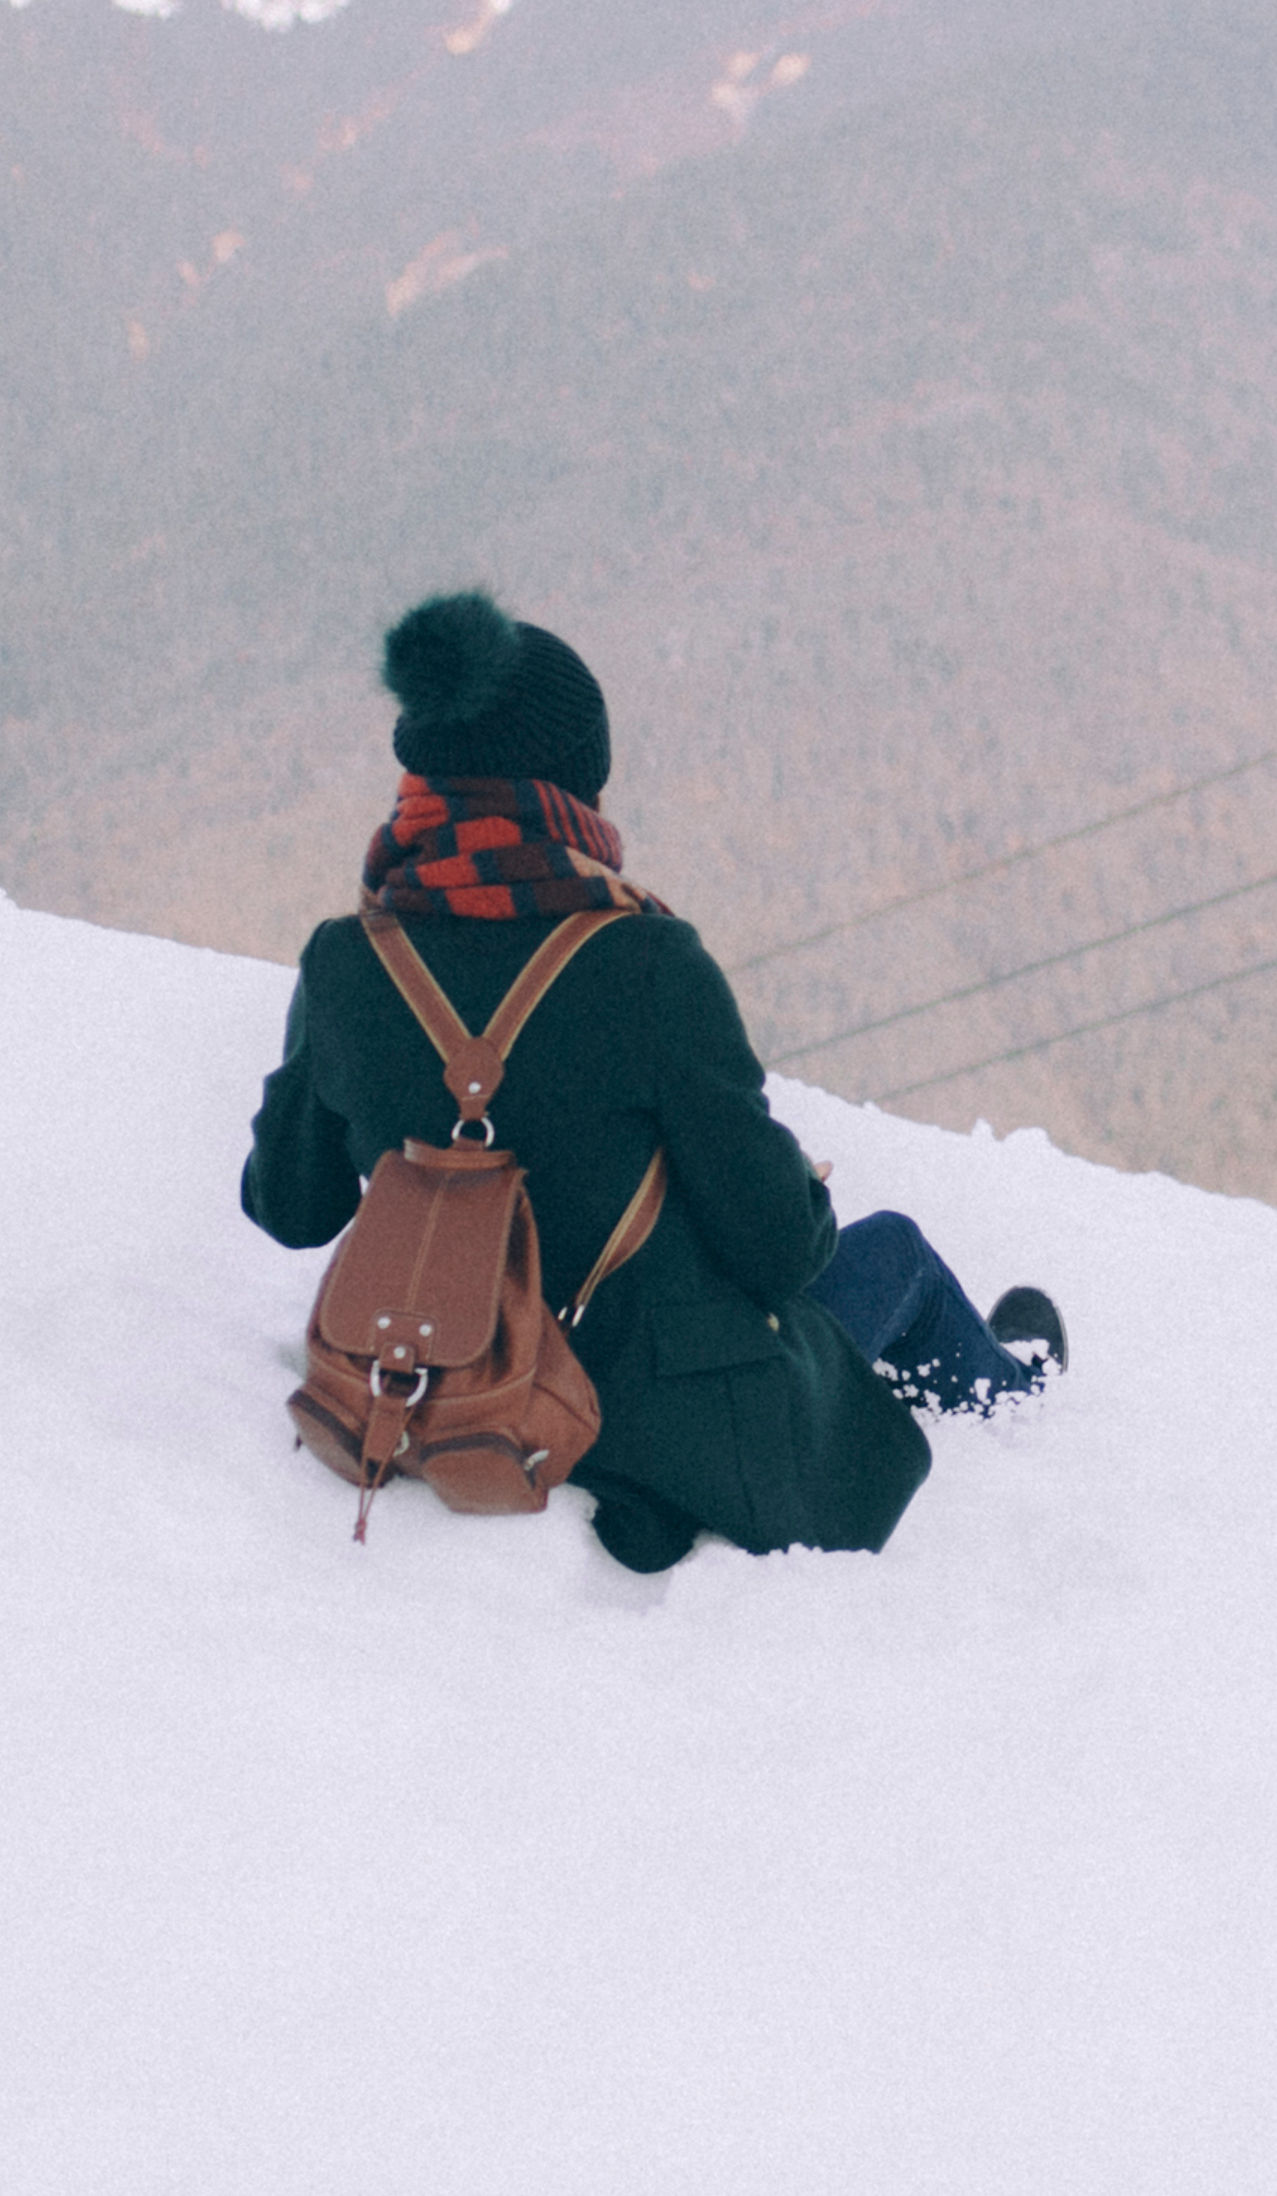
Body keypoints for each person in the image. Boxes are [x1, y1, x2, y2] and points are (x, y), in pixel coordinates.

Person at [241, 590, 1066, 1573]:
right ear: (570, 787)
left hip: (448, 1374)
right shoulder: (647, 962)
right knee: (896, 1255)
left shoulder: (350, 956)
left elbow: (290, 1205)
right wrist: (795, 1184)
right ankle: (1019, 1402)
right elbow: (778, 1252)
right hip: (653, 1421)